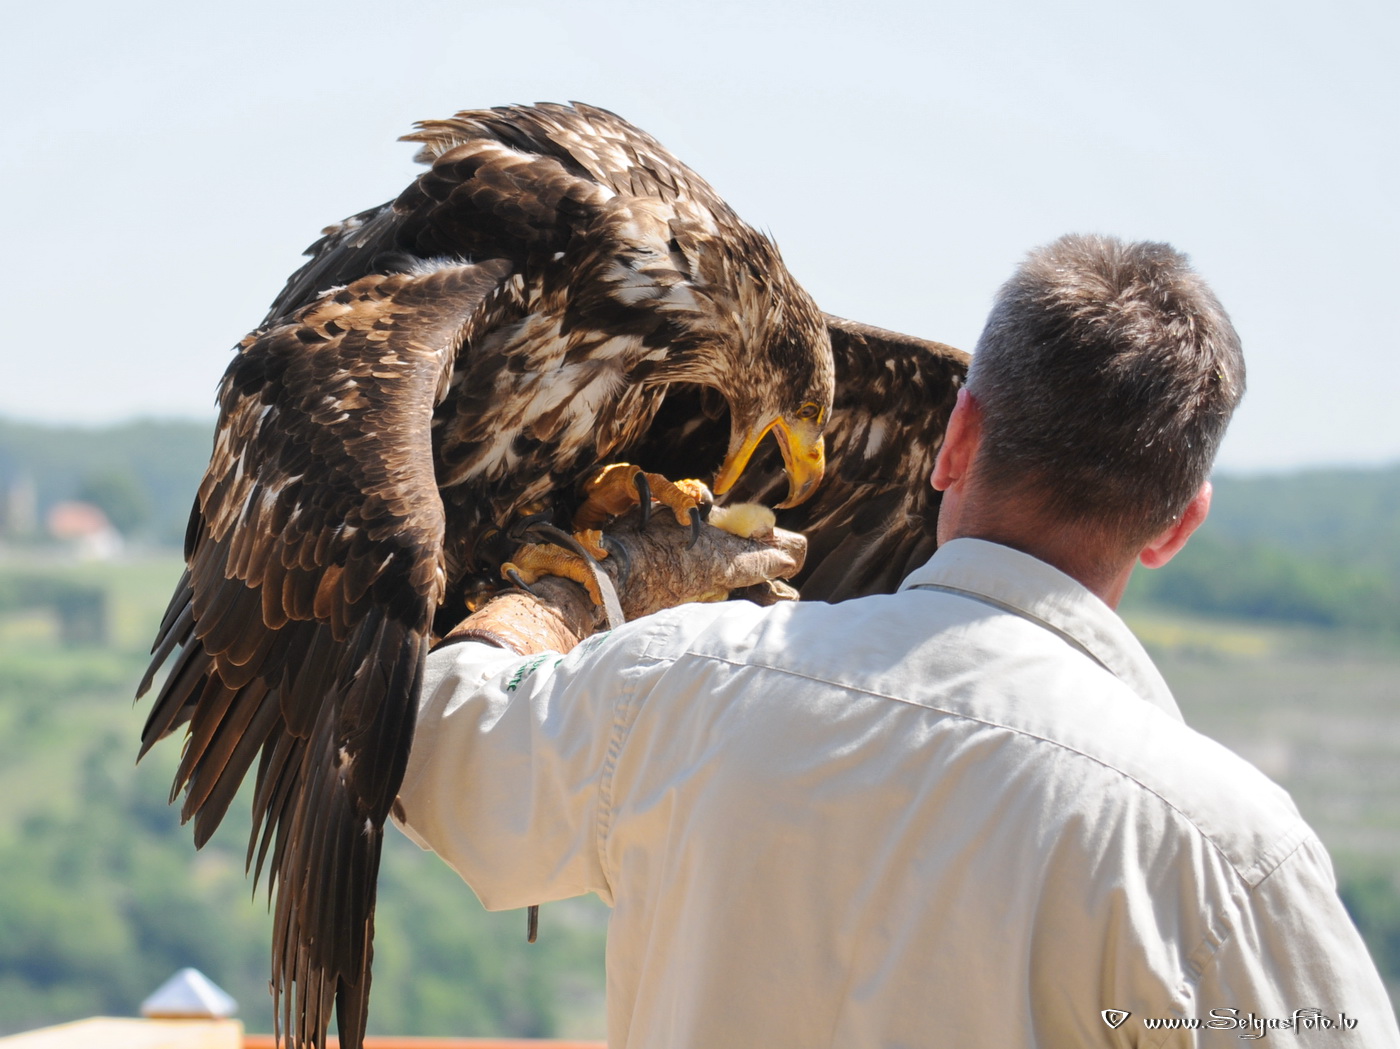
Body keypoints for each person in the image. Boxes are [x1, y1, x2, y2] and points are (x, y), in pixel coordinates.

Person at [394, 234, 1399, 1047]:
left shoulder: (682, 684)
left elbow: (438, 751)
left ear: (956, 440)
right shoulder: (1222, 856)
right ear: (1177, 525)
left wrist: (593, 588)